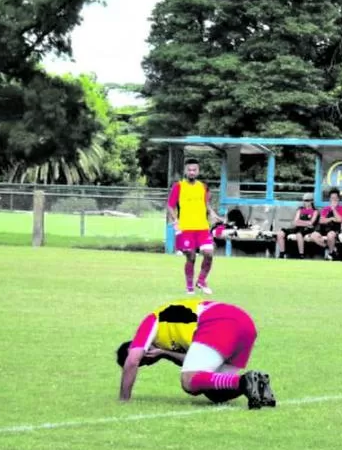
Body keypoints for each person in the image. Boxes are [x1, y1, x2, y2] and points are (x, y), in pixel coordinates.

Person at [117, 297, 277, 408]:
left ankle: (244, 381)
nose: (148, 362)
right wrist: (164, 353)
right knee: (216, 394)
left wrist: (124, 399)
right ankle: (255, 386)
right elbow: (195, 361)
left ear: (134, 346)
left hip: (217, 321)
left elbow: (132, 361)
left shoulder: (152, 320)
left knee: (188, 381)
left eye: (144, 362)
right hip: (244, 324)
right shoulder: (168, 338)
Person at [167, 157, 224, 294]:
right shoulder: (178, 186)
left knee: (209, 254)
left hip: (202, 228)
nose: (192, 172)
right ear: (185, 171)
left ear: (198, 171)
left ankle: (201, 281)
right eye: (189, 170)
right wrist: (176, 221)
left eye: (194, 170)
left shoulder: (203, 187)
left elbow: (206, 205)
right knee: (191, 257)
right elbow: (170, 206)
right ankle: (189, 287)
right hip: (186, 228)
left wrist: (214, 215)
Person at [307, 187, 342, 259]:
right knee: (313, 236)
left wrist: (334, 209)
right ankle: (328, 247)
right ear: (329, 199)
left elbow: (340, 220)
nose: (333, 200)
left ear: (338, 199)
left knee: (330, 235)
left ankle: (331, 253)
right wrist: (331, 219)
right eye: (332, 198)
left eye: (335, 198)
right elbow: (321, 221)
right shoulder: (325, 209)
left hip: (334, 229)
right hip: (323, 228)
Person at [277, 193, 318, 259]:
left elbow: (311, 223)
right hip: (296, 228)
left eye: (307, 200)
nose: (305, 202)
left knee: (299, 234)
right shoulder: (300, 209)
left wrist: (300, 222)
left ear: (312, 201)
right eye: (304, 200)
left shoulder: (315, 211)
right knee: (280, 233)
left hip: (307, 229)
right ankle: (282, 254)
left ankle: (301, 255)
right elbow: (295, 222)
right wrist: (305, 223)